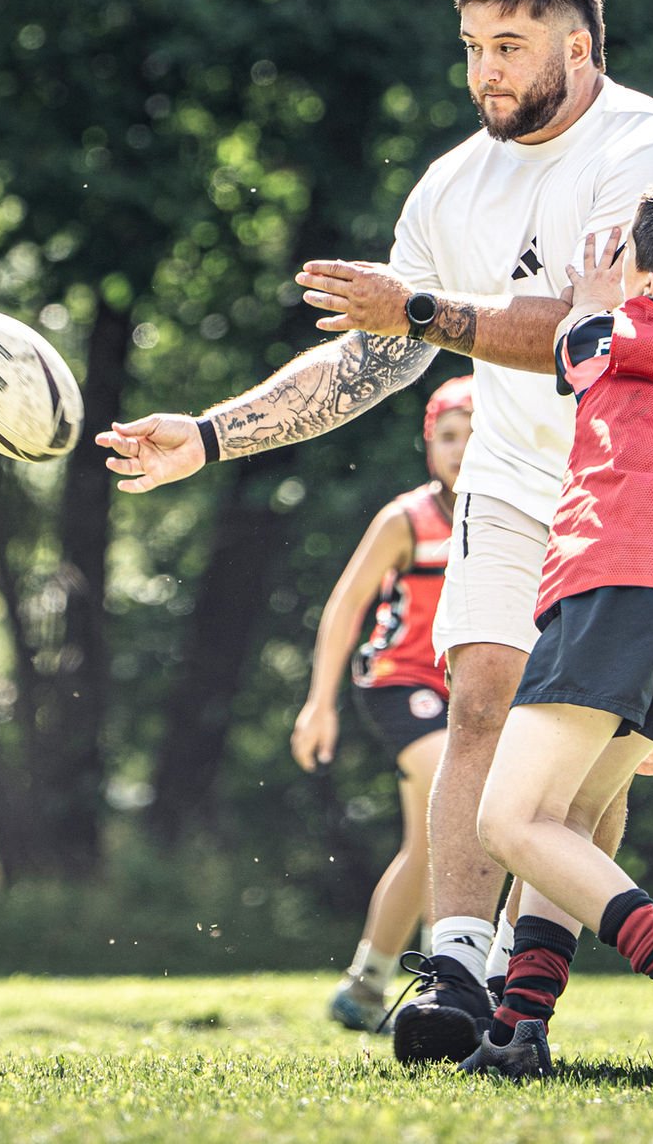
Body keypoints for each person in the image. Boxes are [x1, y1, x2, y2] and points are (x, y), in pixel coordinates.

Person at [97, 0, 653, 1064]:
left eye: (510, 47)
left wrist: (423, 309)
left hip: (631, 496)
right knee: (480, 698)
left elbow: (601, 334)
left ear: (577, 48)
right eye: (473, 49)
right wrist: (208, 435)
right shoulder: (453, 182)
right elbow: (374, 359)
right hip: (513, 480)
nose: (485, 72)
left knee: (582, 769)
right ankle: (452, 973)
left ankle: (534, 1005)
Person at [466, 183, 653, 1081]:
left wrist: (596, 303)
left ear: (645, 276)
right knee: (572, 818)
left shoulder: (631, 330)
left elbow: (574, 355)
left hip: (625, 576)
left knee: (511, 819)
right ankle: (520, 1025)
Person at [292, 377, 473, 1032]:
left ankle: (368, 983)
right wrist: (320, 703)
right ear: (429, 446)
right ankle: (456, 984)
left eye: (475, 434)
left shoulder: (518, 516)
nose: (460, 448)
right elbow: (345, 607)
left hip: (472, 690)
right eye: (447, 436)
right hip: (400, 682)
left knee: (429, 840)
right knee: (464, 804)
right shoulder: (407, 520)